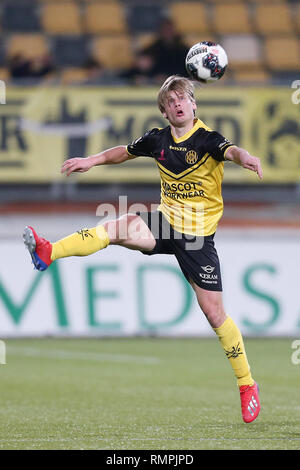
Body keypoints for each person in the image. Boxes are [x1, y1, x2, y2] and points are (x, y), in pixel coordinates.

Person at [23, 75, 262, 423]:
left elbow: (232, 151)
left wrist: (246, 157)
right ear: (164, 112)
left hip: (197, 238)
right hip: (165, 221)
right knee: (116, 228)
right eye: (170, 102)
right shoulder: (158, 140)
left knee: (214, 315)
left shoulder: (208, 140)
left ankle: (246, 384)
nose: (177, 104)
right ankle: (48, 252)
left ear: (194, 104)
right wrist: (92, 160)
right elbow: (124, 151)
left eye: (182, 98)